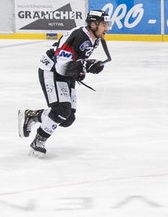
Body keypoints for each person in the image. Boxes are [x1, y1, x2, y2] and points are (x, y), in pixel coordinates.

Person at [18, 9, 111, 156]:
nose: (107, 28)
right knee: (62, 110)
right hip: (52, 70)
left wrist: (82, 70)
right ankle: (39, 141)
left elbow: (75, 62)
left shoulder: (95, 39)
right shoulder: (79, 36)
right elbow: (61, 66)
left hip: (65, 73)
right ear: (93, 25)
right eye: (104, 25)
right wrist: (85, 66)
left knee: (68, 119)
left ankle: (33, 115)